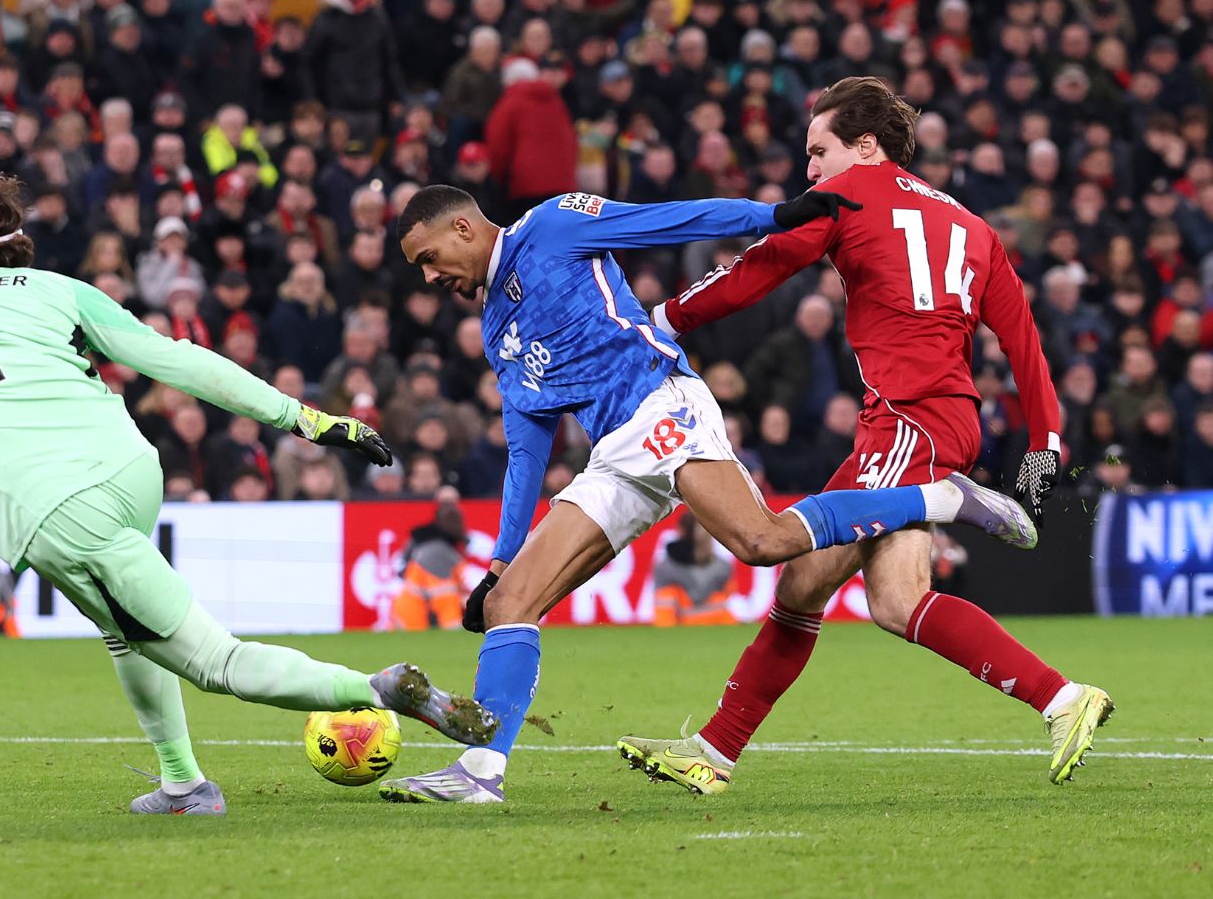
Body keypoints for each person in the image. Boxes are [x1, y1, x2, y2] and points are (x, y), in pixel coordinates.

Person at [0, 176, 497, 817]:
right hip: (131, 467)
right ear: (19, 242)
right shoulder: (57, 288)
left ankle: (376, 691)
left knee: (214, 661)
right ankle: (181, 782)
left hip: (56, 512)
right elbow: (175, 358)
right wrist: (307, 418)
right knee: (124, 630)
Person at [377, 182, 1038, 804]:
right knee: (512, 602)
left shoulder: (552, 225)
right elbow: (527, 444)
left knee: (763, 541)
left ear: (463, 227)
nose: (430, 278)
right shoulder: (497, 326)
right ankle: (480, 773)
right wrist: (499, 562)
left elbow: (670, 219)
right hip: (614, 454)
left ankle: (945, 499)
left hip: (661, 406)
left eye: (429, 258)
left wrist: (772, 216)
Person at [618, 77, 1112, 795]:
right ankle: (1063, 700)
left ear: (866, 146)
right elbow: (1027, 349)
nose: (810, 171)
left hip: (909, 421)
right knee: (842, 590)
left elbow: (764, 266)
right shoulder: (975, 226)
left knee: (832, 576)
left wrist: (663, 320)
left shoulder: (851, 197)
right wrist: (1043, 456)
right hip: (940, 419)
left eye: (819, 152)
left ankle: (953, 506)